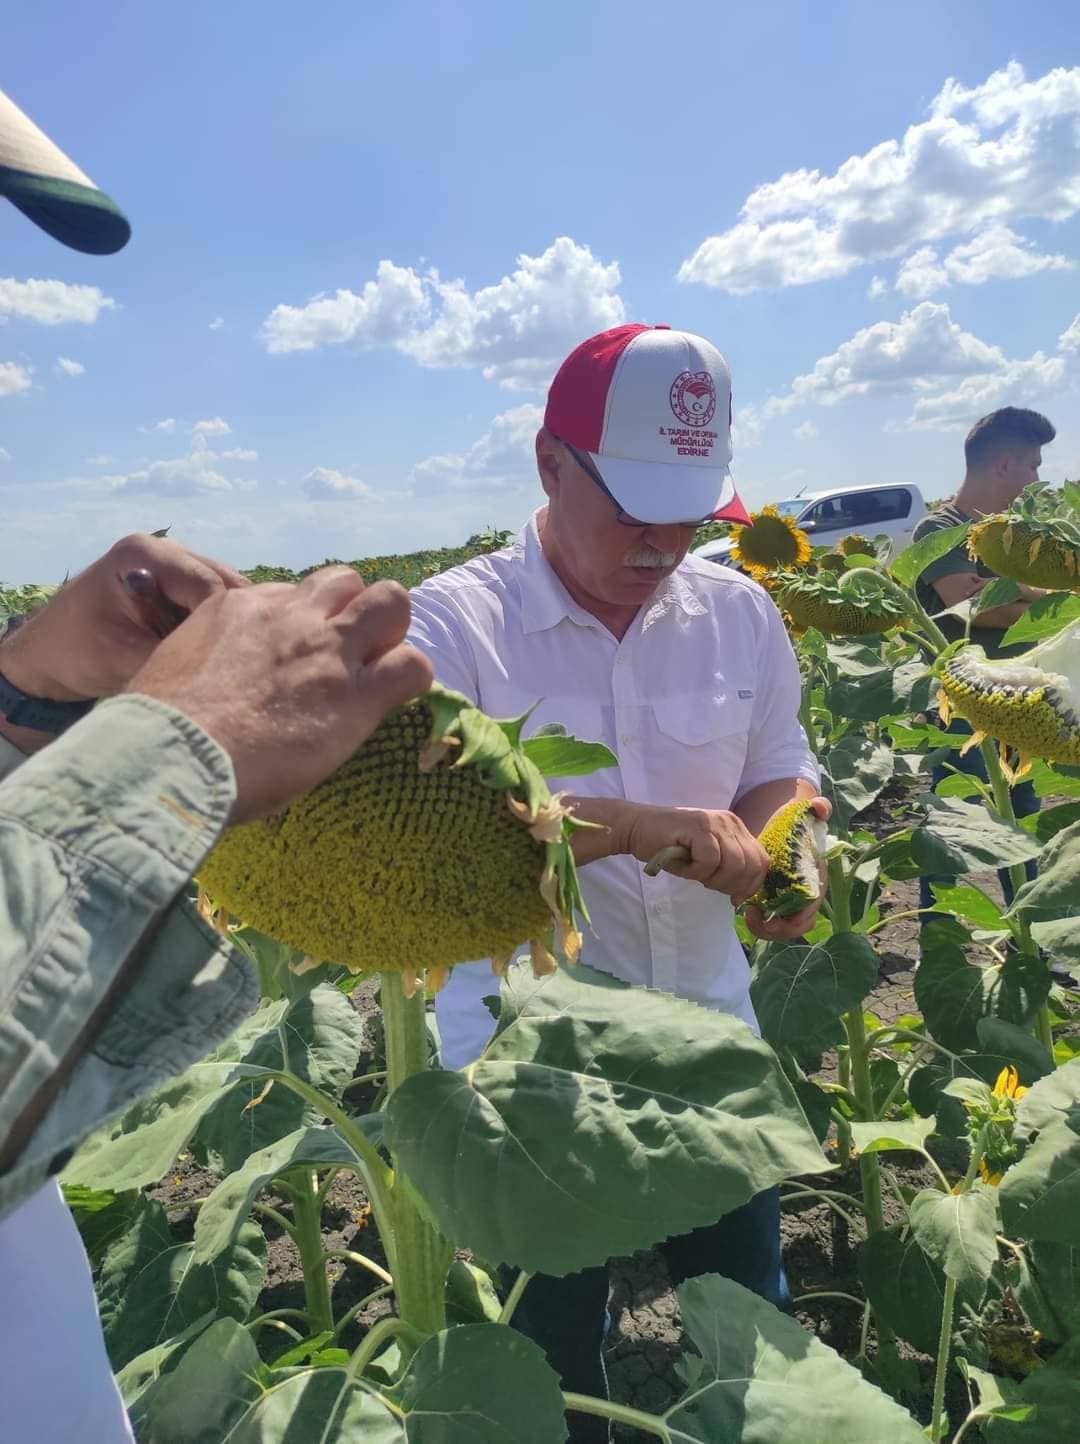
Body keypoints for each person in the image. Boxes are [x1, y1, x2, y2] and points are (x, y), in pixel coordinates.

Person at [406, 322, 829, 1441]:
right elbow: (439, 826)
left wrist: (786, 852)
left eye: (689, 510)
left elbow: (782, 769)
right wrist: (646, 825)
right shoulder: (452, 625)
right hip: (522, 1070)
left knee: (748, 1336)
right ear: (551, 464)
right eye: (636, 506)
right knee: (549, 1372)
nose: (665, 538)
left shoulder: (739, 610)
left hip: (707, 1042)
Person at [913, 406, 1055, 913]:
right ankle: (941, 928)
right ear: (1003, 466)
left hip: (1020, 697)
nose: (1037, 476)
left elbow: (1003, 601)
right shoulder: (940, 526)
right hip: (964, 706)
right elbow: (970, 610)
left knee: (1022, 818)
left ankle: (1031, 934)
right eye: (1033, 465)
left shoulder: (1010, 534)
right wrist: (1034, 596)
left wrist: (1008, 590)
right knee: (956, 825)